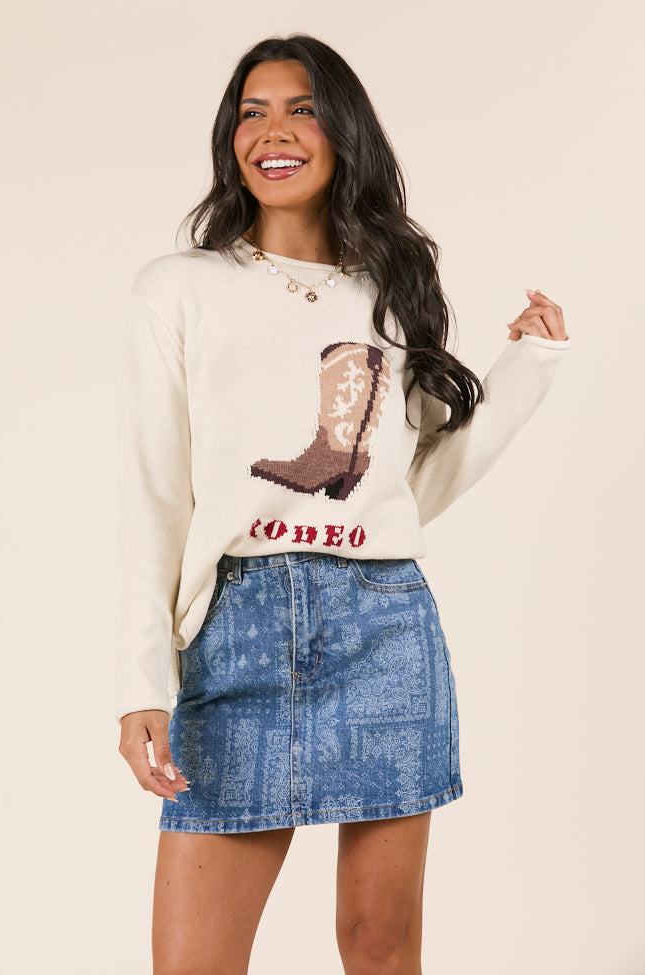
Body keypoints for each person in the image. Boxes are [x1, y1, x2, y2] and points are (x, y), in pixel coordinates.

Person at [115, 33, 570, 975]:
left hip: (382, 627)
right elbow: (154, 492)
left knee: (379, 943)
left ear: (344, 132)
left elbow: (410, 486)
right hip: (234, 633)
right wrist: (140, 682)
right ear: (230, 138)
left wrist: (527, 370)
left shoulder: (391, 295)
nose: (273, 132)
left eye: (303, 109)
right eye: (252, 112)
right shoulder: (178, 290)